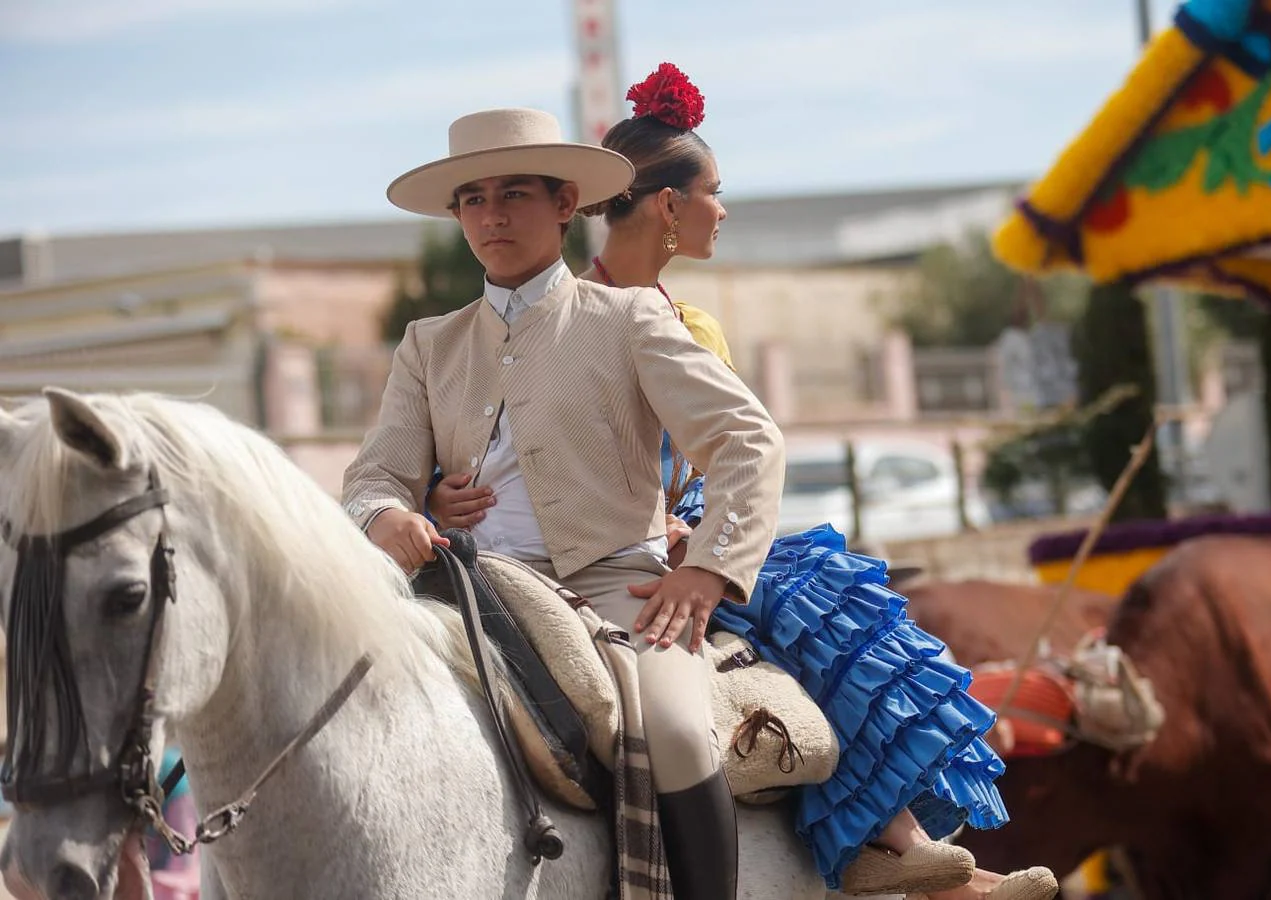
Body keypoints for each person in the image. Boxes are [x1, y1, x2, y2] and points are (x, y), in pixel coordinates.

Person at [429, 65, 1059, 900]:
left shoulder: (668, 319)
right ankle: (890, 847)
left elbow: (732, 446)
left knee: (844, 610)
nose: (723, 210)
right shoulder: (537, 320)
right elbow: (504, 458)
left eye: (513, 194)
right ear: (667, 205)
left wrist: (702, 543)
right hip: (602, 553)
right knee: (814, 603)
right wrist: (428, 500)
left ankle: (895, 844)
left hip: (670, 543)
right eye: (714, 192)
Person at [342, 105, 786, 900]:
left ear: (564, 204)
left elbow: (750, 441)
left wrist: (709, 570)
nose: (492, 214)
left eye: (514, 193)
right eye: (473, 200)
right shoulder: (427, 343)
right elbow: (374, 476)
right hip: (468, 587)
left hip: (617, 586)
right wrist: (388, 517)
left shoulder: (631, 318)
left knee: (681, 734)